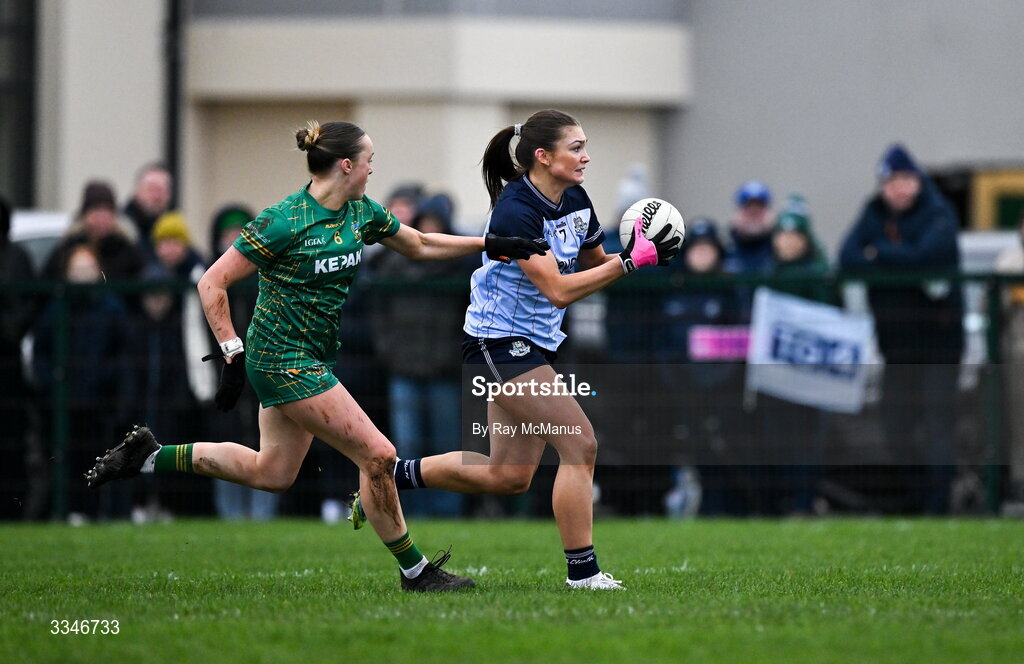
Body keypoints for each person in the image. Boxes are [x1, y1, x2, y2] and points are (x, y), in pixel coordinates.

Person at [85, 119, 545, 591]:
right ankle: (416, 572)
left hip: (312, 357)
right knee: (380, 454)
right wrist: (231, 353)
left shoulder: (359, 211)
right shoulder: (283, 219)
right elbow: (212, 283)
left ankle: (148, 457)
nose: (372, 170)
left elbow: (420, 243)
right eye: (369, 161)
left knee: (273, 473)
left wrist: (489, 245)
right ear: (346, 165)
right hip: (280, 358)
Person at [354, 109, 680, 590]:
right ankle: (583, 575)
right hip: (498, 344)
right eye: (576, 147)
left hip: (532, 346)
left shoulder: (576, 197)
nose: (586, 156)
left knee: (505, 476)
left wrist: (640, 251)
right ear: (543, 157)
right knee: (580, 443)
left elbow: (595, 265)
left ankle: (390, 475)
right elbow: (559, 291)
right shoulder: (515, 210)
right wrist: (631, 264)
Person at [839, 143, 963, 514]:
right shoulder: (873, 211)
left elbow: (925, 256)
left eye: (907, 179)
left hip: (939, 344)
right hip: (896, 345)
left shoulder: (939, 212)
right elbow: (847, 257)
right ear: (882, 185)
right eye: (892, 181)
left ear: (918, 180)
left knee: (938, 426)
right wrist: (894, 256)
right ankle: (918, 499)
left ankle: (939, 507)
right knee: (896, 428)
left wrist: (878, 252)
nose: (900, 188)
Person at [368, 193, 473, 517]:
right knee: (406, 446)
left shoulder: (461, 270)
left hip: (444, 368)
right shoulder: (391, 267)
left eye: (436, 226)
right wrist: (388, 352)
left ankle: (447, 510)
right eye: (424, 225)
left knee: (446, 445)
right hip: (404, 368)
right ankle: (409, 511)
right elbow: (378, 316)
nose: (430, 231)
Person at [35, 244, 133, 521]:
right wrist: (51, 382)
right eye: (77, 270)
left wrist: (108, 378)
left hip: (102, 401)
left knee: (102, 457)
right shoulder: (57, 308)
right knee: (67, 459)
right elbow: (40, 351)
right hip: (65, 401)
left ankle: (100, 510)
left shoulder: (111, 307)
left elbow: (124, 353)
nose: (82, 275)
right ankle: (70, 510)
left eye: (87, 269)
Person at [204, 204, 279, 521]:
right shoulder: (211, 277)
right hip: (224, 369)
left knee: (266, 441)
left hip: (262, 371)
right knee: (227, 434)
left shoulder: (266, 277)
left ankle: (262, 511)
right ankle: (230, 512)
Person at [759, 194, 831, 515]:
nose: (787, 243)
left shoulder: (819, 273)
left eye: (794, 236)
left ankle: (804, 501)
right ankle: (781, 502)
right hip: (776, 374)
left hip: (809, 375)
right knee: (776, 438)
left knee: (806, 440)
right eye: (782, 235)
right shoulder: (768, 272)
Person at [0, 196, 39, 519]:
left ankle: (13, 509)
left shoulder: (17, 258)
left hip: (8, 365)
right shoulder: (17, 257)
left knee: (12, 441)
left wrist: (8, 329)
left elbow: (28, 307)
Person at [45, 181, 144, 283]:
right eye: (96, 211)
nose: (102, 218)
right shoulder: (68, 247)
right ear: (85, 214)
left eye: (107, 211)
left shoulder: (127, 249)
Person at [123, 163, 173, 262]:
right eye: (151, 189)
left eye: (162, 190)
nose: (157, 196)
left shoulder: (174, 226)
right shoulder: (122, 227)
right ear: (137, 191)